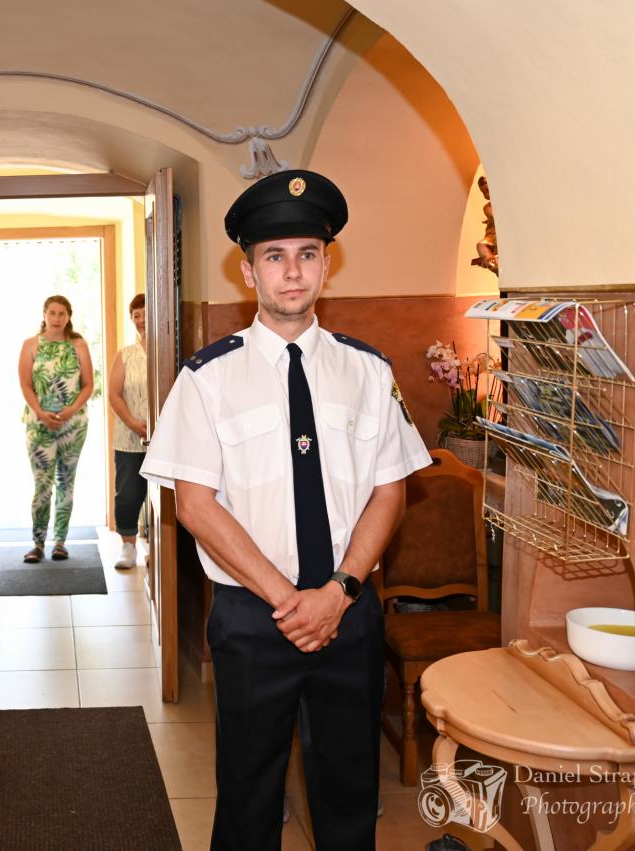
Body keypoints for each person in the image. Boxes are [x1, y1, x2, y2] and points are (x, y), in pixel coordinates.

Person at [141, 169, 431, 850]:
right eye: (274, 256)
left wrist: (338, 593)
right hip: (252, 618)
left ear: (327, 264)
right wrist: (291, 602)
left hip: (348, 612)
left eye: (307, 253)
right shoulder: (206, 378)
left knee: (350, 795)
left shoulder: (369, 371)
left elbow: (390, 489)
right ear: (248, 271)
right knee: (247, 800)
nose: (292, 272)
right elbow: (195, 505)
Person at [17, 295, 94, 563]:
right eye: (52, 313)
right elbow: (26, 384)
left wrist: (70, 410)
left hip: (73, 425)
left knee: (66, 481)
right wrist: (42, 413)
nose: (57, 318)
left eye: (62, 314)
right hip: (39, 424)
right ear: (44, 314)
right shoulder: (30, 345)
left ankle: (60, 541)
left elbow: (88, 384)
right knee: (42, 484)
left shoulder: (78, 344)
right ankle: (37, 543)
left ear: (69, 316)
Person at [107, 293, 148, 569]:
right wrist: (134, 423)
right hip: (129, 437)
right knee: (128, 493)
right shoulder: (126, 355)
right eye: (136, 315)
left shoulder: (168, 349)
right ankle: (128, 547)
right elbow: (114, 393)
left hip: (164, 438)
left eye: (145, 314)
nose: (141, 320)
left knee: (163, 496)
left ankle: (158, 548)